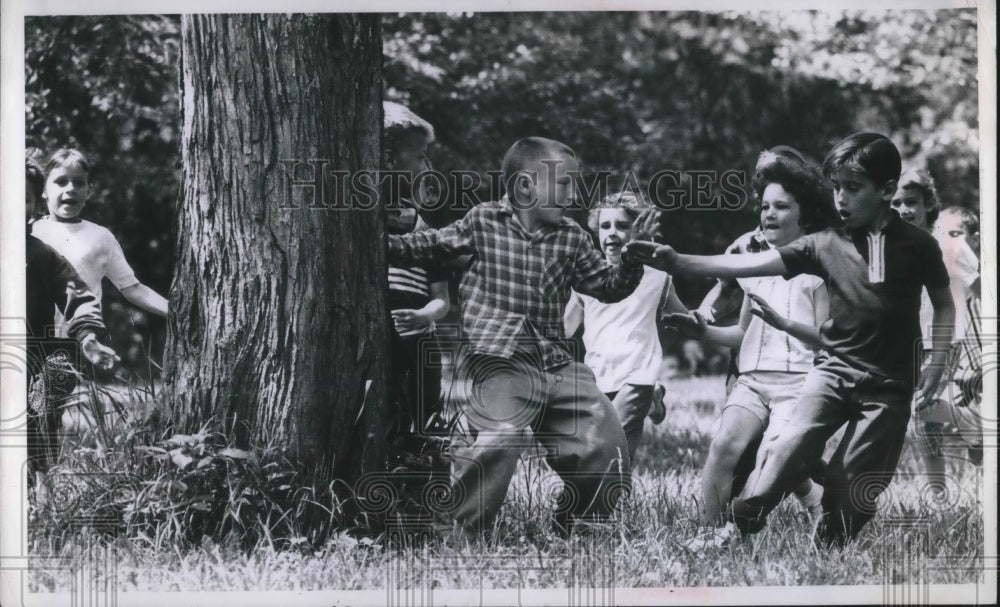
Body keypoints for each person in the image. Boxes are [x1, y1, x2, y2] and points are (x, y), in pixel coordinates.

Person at [625, 132, 955, 546]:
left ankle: (831, 534)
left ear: (887, 190)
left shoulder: (920, 246)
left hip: (889, 386)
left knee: (848, 485)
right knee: (788, 444)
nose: (840, 199)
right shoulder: (823, 243)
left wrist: (937, 359)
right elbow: (748, 264)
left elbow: (944, 304)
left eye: (852, 189)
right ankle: (738, 523)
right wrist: (678, 260)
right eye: (836, 188)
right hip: (831, 371)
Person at [386, 136, 659, 536]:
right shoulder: (482, 221)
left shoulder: (572, 237)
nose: (573, 193)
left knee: (606, 436)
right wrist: (382, 243)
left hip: (555, 362)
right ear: (526, 186)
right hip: (499, 360)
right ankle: (462, 533)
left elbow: (607, 285)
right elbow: (427, 244)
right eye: (565, 183)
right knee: (502, 433)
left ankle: (581, 522)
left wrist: (633, 259)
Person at [664, 147, 835, 547]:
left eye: (781, 207)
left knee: (773, 457)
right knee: (724, 446)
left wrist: (786, 324)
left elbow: (830, 341)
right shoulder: (749, 263)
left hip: (798, 386)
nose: (769, 214)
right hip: (752, 383)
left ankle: (740, 529)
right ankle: (708, 536)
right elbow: (741, 334)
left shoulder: (818, 270)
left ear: (803, 213)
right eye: (764, 206)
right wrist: (700, 330)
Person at [563, 191, 684, 462]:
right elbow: (566, 327)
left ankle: (614, 501)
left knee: (615, 445)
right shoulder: (587, 278)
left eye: (622, 226)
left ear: (638, 229)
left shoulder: (658, 277)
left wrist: (706, 317)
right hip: (598, 374)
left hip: (637, 373)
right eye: (605, 226)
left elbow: (683, 319)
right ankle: (654, 397)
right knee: (606, 446)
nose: (612, 233)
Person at [25, 156, 119, 489]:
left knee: (36, 420)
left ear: (35, 204)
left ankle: (39, 494)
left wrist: (89, 336)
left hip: (30, 359)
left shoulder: (41, 255)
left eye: (23, 198)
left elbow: (77, 296)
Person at [30, 149, 168, 338]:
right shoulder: (32, 232)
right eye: (61, 182)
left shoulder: (101, 237)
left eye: (79, 183)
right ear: (44, 190)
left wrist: (172, 311)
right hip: (33, 340)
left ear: (89, 191)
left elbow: (132, 288)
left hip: (81, 343)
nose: (70, 188)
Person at [382, 101, 451, 457]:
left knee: (424, 413)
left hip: (419, 341)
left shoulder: (427, 233)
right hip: (381, 340)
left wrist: (424, 316)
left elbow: (442, 298)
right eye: (422, 156)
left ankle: (423, 464)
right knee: (385, 410)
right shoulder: (363, 223)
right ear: (390, 159)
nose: (429, 166)